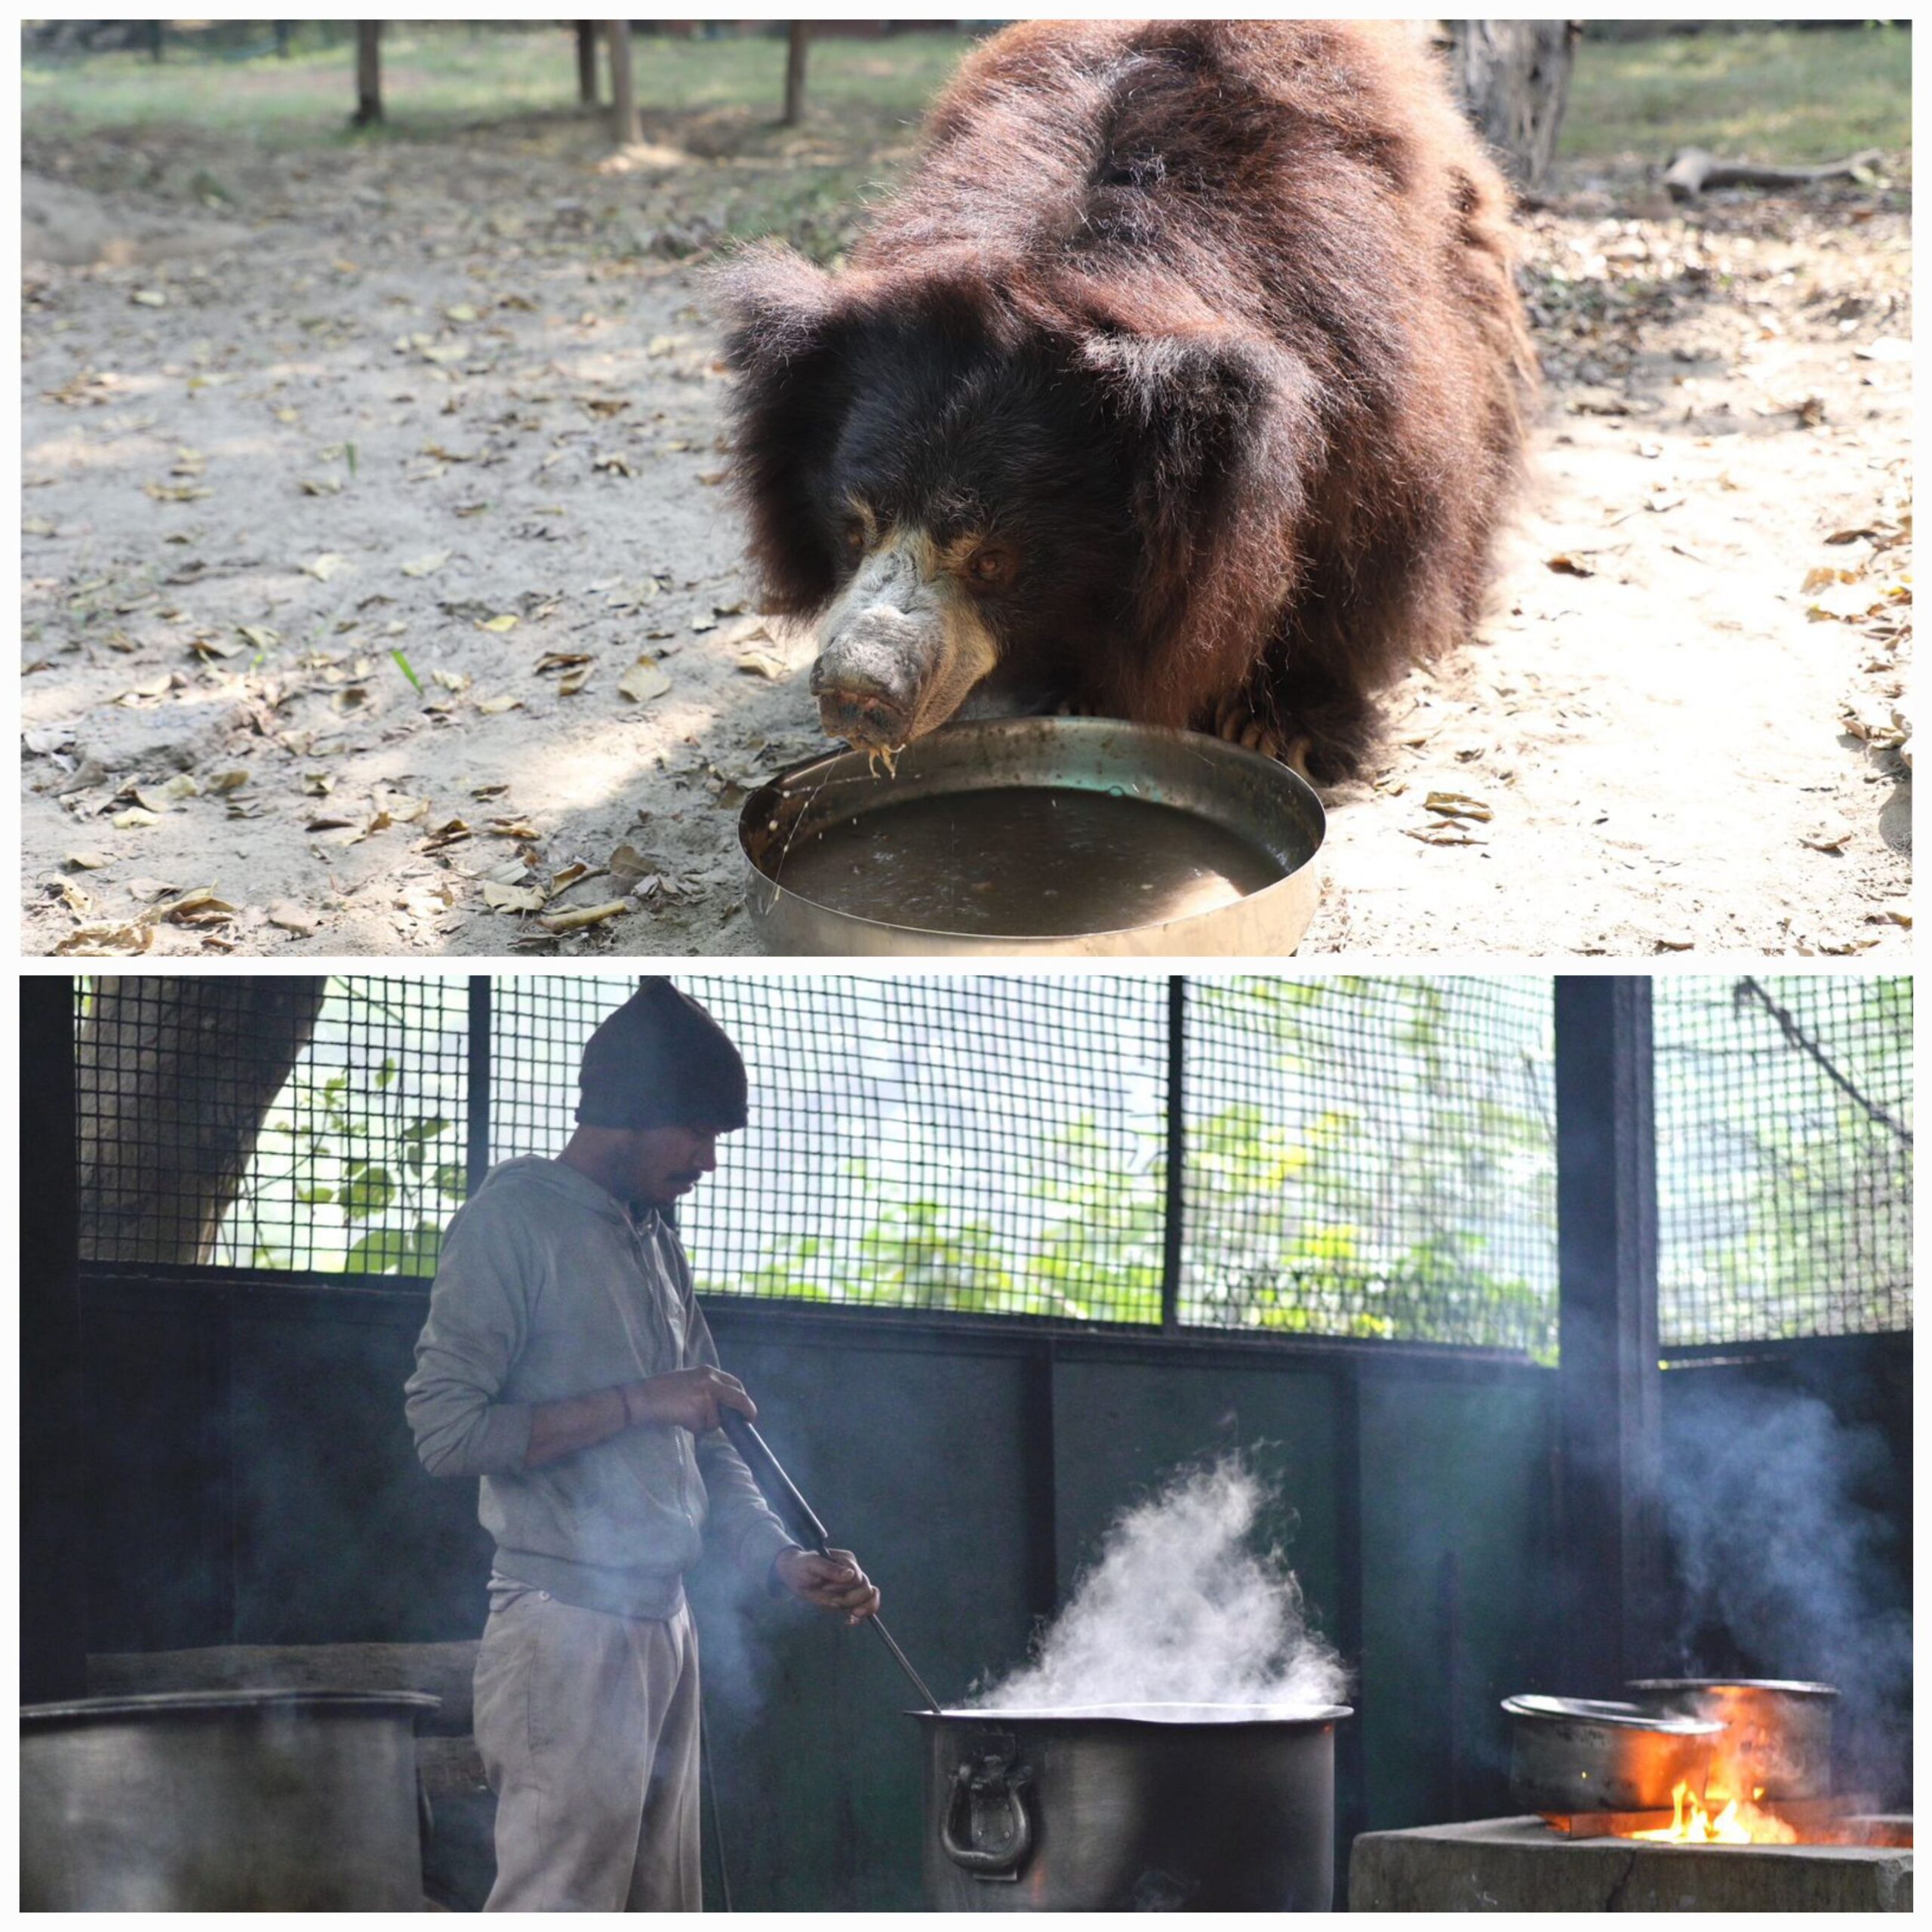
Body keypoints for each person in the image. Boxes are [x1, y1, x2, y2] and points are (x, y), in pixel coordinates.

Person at [405, 978, 880, 1912]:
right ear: (627, 1114)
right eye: (696, 1134)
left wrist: (780, 1557)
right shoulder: (512, 1221)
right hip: (564, 1627)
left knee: (663, 1906)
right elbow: (446, 1432)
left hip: (664, 1625)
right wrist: (643, 1400)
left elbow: (707, 1432)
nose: (708, 1161)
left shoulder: (654, 1230)